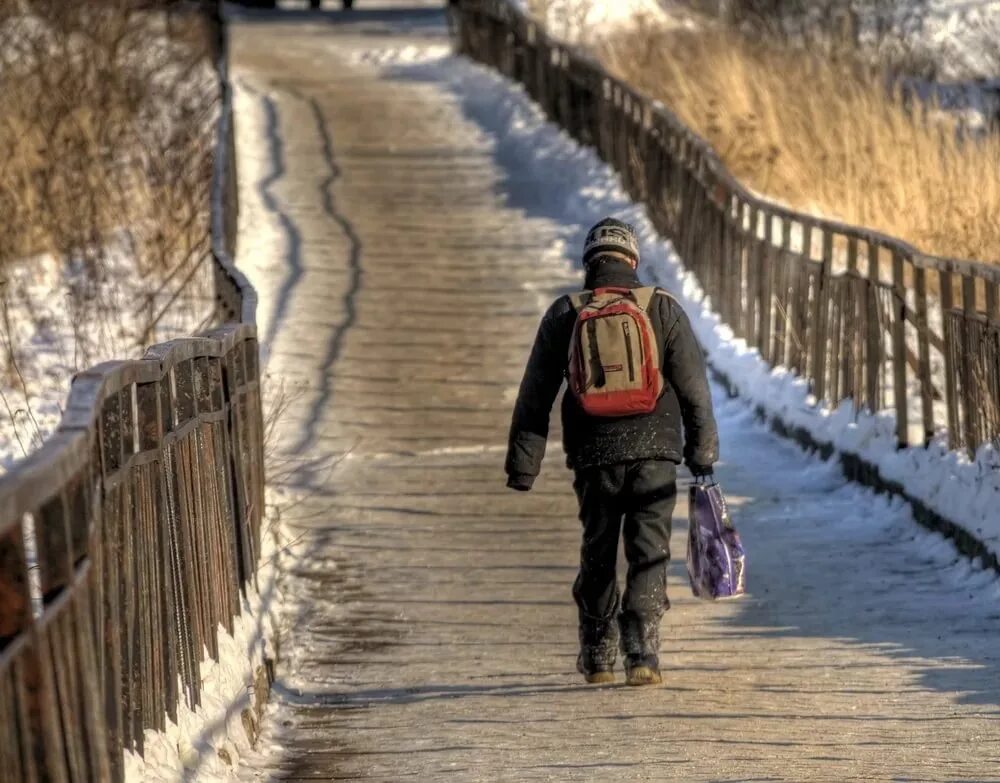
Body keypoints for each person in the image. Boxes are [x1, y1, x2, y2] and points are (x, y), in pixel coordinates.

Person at [505, 217, 719, 686]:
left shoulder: (566, 312)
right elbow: (695, 391)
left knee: (598, 548)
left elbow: (535, 394)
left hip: (593, 451)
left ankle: (598, 651)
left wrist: (524, 465)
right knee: (648, 550)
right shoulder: (661, 307)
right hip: (657, 450)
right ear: (633, 261)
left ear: (589, 263)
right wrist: (702, 453)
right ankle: (642, 651)